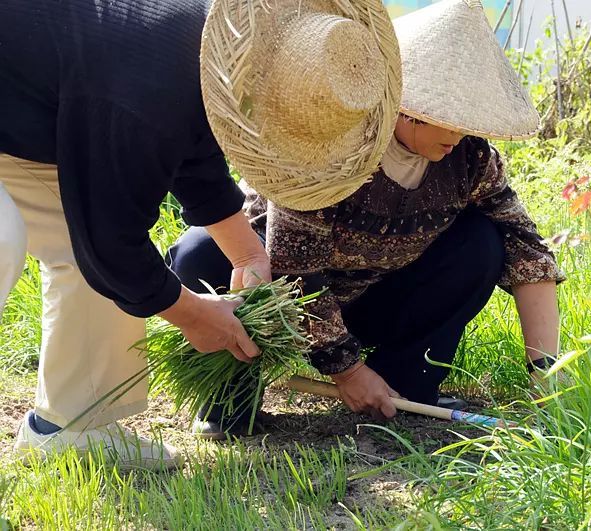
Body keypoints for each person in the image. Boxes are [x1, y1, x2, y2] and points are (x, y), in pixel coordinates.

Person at [1, 0, 400, 468]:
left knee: (79, 253)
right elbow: (112, 246)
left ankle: (71, 428)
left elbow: (195, 161)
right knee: (4, 235)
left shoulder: (204, 55)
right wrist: (192, 314)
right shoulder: (145, 87)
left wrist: (250, 256)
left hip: (22, 113)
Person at [168, 0, 565, 439]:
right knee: (201, 254)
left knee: (483, 244)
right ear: (407, 107)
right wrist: (348, 373)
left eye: (466, 123)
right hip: (274, 298)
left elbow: (525, 246)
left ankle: (406, 387)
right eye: (446, 121)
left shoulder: (469, 159)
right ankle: (233, 394)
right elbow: (297, 275)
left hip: (375, 297)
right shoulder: (332, 145)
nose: (457, 136)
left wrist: (546, 375)